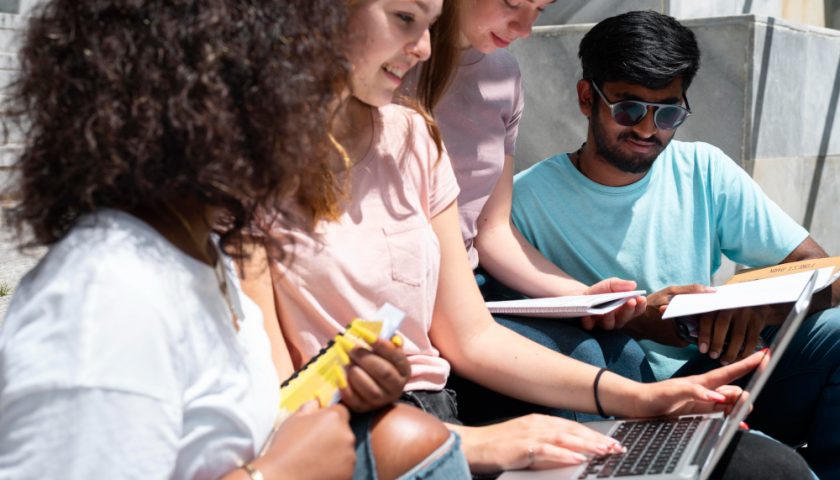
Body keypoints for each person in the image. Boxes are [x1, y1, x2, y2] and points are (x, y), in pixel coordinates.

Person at [245, 1, 810, 478]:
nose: (421, 48)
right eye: (404, 18)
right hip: (363, 432)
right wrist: (486, 443)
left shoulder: (416, 135)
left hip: (435, 404)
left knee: (766, 465)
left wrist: (640, 398)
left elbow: (471, 332)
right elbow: (281, 409)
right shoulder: (241, 163)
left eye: (665, 114)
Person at [0, 1, 468, 479]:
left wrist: (337, 387)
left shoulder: (195, 254)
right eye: (304, 75)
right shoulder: (104, 296)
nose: (328, 108)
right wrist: (276, 475)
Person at [511, 10, 840, 478]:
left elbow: (823, 271)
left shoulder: (704, 168)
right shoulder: (525, 202)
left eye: (668, 113)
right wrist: (639, 321)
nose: (648, 130)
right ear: (588, 98)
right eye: (628, 109)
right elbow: (518, 334)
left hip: (724, 367)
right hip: (617, 390)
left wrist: (748, 310)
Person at [409, 0, 656, 427]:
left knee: (622, 351)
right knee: (580, 359)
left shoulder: (503, 75)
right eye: (511, 3)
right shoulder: (394, 70)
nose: (524, 28)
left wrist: (581, 296)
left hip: (474, 285)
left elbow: (492, 229)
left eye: (539, 10)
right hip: (416, 294)